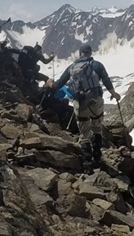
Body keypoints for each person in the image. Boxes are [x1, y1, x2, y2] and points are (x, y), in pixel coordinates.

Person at [47, 43, 120, 171]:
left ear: (80, 53)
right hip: (96, 102)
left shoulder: (71, 67)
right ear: (90, 53)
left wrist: (49, 84)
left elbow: (58, 85)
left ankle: (87, 164)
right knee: (97, 128)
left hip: (80, 103)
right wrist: (114, 94)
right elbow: (106, 80)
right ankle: (97, 158)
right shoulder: (97, 65)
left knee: (84, 132)